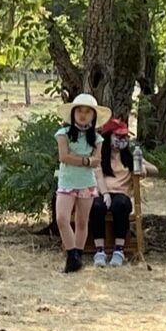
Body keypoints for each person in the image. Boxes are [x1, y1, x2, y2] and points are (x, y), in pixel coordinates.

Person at [54, 93, 100, 273]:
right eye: (79, 111)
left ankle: (77, 257)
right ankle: (71, 253)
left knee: (82, 221)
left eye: (87, 112)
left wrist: (81, 159)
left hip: (87, 183)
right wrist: (86, 160)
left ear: (93, 116)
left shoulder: (96, 138)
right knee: (62, 218)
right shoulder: (62, 134)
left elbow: (97, 160)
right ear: (73, 113)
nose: (83, 115)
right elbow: (63, 156)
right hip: (67, 181)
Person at [88, 117, 136, 267]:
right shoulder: (100, 157)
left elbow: (154, 170)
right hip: (102, 192)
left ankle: (119, 250)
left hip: (122, 194)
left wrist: (142, 168)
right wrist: (105, 193)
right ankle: (99, 250)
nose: (122, 140)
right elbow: (99, 176)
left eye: (124, 137)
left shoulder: (130, 157)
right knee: (97, 206)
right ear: (108, 137)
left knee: (120, 205)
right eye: (118, 136)